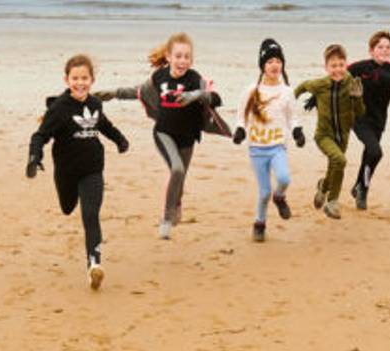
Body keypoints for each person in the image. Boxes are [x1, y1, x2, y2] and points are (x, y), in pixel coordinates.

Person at [28, 55, 131, 290]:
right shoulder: (58, 109)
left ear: (92, 80)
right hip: (66, 171)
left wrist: (120, 140)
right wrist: (35, 156)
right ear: (67, 80)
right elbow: (40, 136)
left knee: (91, 214)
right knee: (67, 207)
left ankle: (94, 264)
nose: (80, 83)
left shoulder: (95, 104)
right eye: (75, 78)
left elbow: (103, 124)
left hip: (93, 168)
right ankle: (70, 198)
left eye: (84, 78)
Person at [119, 33, 225, 240]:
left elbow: (216, 98)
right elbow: (139, 91)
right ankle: (166, 219)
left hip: (188, 136)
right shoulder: (159, 77)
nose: (182, 61)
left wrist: (195, 95)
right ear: (168, 57)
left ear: (191, 60)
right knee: (176, 169)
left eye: (187, 57)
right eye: (178, 56)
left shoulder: (195, 79)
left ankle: (177, 203)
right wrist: (111, 93)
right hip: (163, 133)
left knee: (180, 177)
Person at [230, 39, 304, 242]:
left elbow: (293, 117)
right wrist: (240, 131)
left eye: (278, 61)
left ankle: (279, 197)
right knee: (263, 193)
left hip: (277, 146)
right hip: (257, 149)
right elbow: (241, 116)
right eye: (270, 61)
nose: (274, 65)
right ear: (262, 65)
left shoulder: (287, 91)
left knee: (284, 179)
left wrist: (297, 131)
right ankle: (259, 223)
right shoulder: (251, 90)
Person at [296, 44, 364, 221]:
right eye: (333, 66)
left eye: (341, 65)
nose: (338, 70)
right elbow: (303, 86)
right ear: (326, 67)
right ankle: (333, 201)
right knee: (340, 160)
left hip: (343, 136)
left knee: (334, 167)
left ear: (346, 65)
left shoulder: (351, 84)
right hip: (324, 135)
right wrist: (288, 102)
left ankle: (323, 186)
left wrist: (357, 99)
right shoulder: (320, 84)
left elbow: (361, 112)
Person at [347, 30, 390, 211]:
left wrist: (384, 75)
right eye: (380, 47)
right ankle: (363, 189)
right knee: (375, 151)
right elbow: (338, 75)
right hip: (359, 118)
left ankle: (358, 185)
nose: (384, 50)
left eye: (388, 47)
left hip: (378, 121)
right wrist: (318, 96)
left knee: (369, 154)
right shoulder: (360, 67)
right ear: (371, 50)